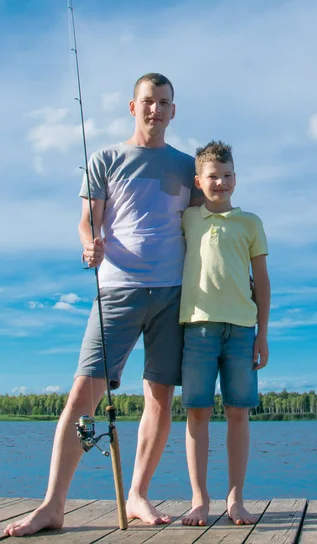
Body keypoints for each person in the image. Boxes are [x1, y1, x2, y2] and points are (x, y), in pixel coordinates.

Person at [4, 73, 202, 537]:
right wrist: (90, 244)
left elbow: (202, 227)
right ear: (133, 108)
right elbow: (86, 224)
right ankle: (53, 505)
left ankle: (137, 495)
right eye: (148, 101)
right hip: (116, 290)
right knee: (83, 397)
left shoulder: (186, 166)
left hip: (174, 294)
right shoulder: (106, 158)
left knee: (159, 398)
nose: (156, 109)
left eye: (164, 102)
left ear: (174, 110)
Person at [179, 141, 270, 527]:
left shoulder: (250, 222)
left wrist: (262, 335)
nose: (221, 182)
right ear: (198, 181)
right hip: (197, 327)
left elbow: (262, 282)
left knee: (238, 413)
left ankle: (236, 498)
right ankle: (200, 500)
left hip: (241, 330)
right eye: (213, 176)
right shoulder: (187, 218)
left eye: (228, 175)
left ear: (236, 178)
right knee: (198, 412)